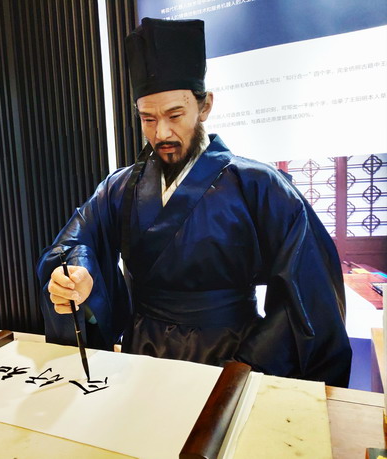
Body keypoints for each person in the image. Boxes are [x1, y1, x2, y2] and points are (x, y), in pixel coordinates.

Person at [36, 18, 351, 387]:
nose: (161, 133)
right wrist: (76, 274)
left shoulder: (258, 184)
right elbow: (73, 244)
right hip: (142, 356)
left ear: (205, 106)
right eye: (148, 119)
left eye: (174, 115)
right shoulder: (119, 188)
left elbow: (308, 291)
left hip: (234, 358)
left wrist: (251, 365)